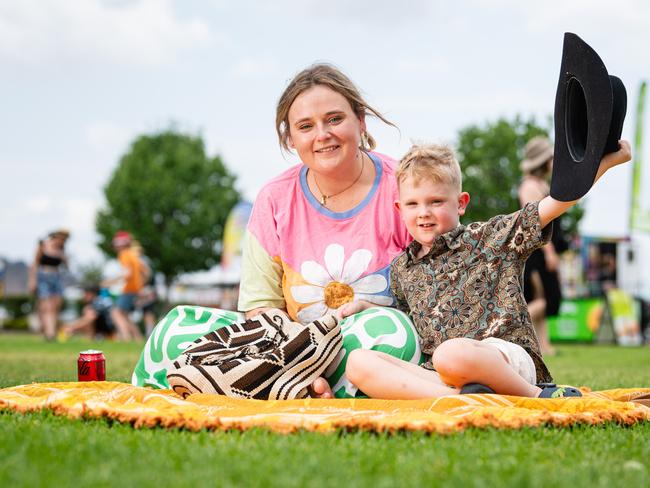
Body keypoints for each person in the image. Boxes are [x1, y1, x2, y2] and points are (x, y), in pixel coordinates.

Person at [132, 63, 421, 396]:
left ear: (360, 121)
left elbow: (434, 291)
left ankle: (279, 392)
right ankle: (308, 390)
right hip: (285, 349)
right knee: (175, 330)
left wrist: (372, 313)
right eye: (305, 126)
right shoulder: (274, 198)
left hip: (362, 345)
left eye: (334, 119)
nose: (322, 135)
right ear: (291, 138)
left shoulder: (404, 185)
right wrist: (301, 358)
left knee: (393, 333)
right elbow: (261, 308)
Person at [341, 141, 631, 399]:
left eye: (436, 201)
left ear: (461, 203)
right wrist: (370, 307)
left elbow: (554, 204)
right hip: (445, 375)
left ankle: (537, 396)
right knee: (359, 362)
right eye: (413, 204)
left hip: (506, 359)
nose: (424, 212)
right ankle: (462, 400)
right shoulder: (401, 268)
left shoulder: (489, 238)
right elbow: (411, 324)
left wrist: (604, 163)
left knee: (450, 353)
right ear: (399, 209)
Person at [518, 136, 566, 356]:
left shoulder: (541, 185)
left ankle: (544, 346)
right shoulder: (529, 187)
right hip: (538, 250)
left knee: (543, 299)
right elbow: (536, 223)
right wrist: (550, 252)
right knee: (546, 299)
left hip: (544, 249)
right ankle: (513, 327)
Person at [28, 229, 70, 341]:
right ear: (55, 237)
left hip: (57, 277)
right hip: (43, 276)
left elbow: (66, 267)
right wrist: (32, 281)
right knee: (47, 306)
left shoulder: (61, 249)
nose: (62, 242)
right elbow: (35, 264)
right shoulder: (43, 245)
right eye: (61, 239)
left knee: (56, 305)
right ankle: (50, 334)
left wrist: (64, 258)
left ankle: (51, 330)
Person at [102, 231, 144, 341]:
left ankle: (126, 337)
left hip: (128, 288)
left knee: (116, 313)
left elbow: (127, 274)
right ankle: (138, 338)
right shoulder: (132, 254)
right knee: (125, 315)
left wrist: (110, 282)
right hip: (134, 288)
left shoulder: (124, 254)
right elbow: (145, 272)